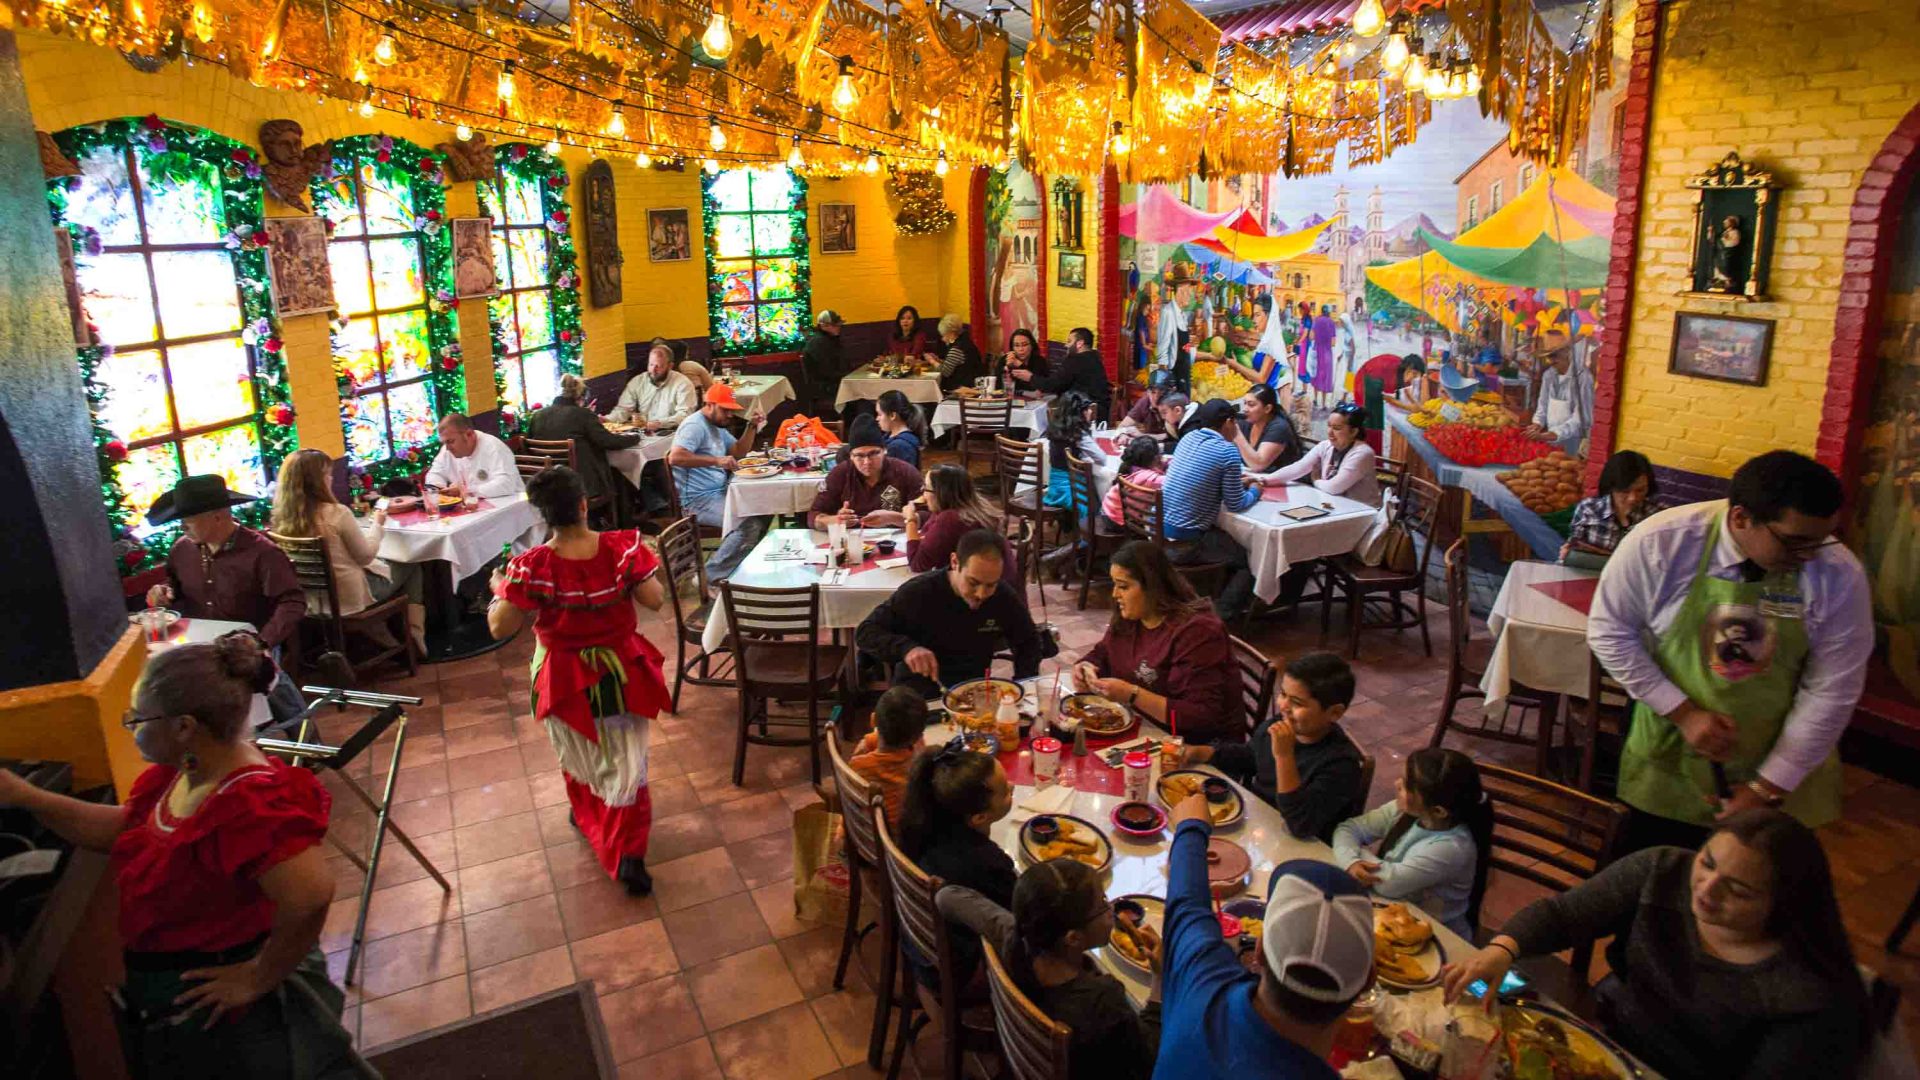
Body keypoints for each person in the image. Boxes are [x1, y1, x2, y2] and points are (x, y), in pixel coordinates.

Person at [0, 634, 354, 1077]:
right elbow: (129, 829)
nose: (130, 725)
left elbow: (311, 896)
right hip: (174, 996)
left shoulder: (249, 804)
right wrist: (28, 797)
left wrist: (258, 977)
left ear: (184, 727)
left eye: (137, 718)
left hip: (231, 1020)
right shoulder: (189, 770)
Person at [1441, 809, 1868, 1080]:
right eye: (1708, 862)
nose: (1705, 890)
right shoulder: (1663, 869)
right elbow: (1564, 914)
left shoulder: (1809, 998)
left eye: (1737, 890)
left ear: (1784, 905)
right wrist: (1501, 951)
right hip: (1611, 1041)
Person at [1587, 450, 1870, 852]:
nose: (1809, 556)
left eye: (1820, 541)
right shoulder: (1662, 543)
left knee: (1750, 899)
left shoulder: (1837, 571)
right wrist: (1682, 712)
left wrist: (1767, 786)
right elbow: (1608, 631)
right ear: (1740, 518)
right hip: (1671, 750)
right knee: (1646, 880)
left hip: (1777, 755)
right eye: (1795, 543)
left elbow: (1832, 690)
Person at [488, 466, 671, 895]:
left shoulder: (530, 567)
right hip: (619, 672)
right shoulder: (621, 549)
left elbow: (500, 628)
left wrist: (501, 587)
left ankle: (589, 813)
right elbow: (656, 599)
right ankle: (629, 853)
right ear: (584, 505)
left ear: (544, 517)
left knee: (580, 752)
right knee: (626, 758)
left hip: (563, 675)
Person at [1153, 793, 1374, 1080]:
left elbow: (1186, 900)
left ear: (1257, 953)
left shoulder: (1200, 987)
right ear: (1369, 980)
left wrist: (1192, 827)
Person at [937, 859, 1162, 1080]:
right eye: (1102, 905)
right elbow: (1153, 1058)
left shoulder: (1013, 940)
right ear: (1073, 938)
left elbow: (945, 896)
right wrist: (1161, 979)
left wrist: (1004, 921)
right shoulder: (1103, 1001)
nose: (1111, 910)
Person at [143, 474, 307, 724]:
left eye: (188, 519)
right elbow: (174, 591)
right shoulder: (181, 550)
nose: (183, 527)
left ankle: (306, 740)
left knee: (260, 673)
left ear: (217, 516)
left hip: (252, 641)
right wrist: (164, 594)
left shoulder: (262, 553)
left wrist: (262, 642)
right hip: (201, 643)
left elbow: (292, 602)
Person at [1184, 651, 1365, 841]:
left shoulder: (1341, 765)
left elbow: (1300, 824)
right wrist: (1203, 752)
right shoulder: (1278, 724)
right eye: (1283, 694)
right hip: (1259, 824)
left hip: (1301, 848)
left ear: (1334, 712)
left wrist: (1284, 756)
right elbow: (1251, 756)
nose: (1283, 706)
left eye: (1296, 703)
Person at [1074, 540, 1243, 742]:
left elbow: (1201, 715)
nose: (1115, 594)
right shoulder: (1131, 616)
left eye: (1123, 586)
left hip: (1193, 746)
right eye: (1115, 585)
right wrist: (1086, 667)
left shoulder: (1198, 632)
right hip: (1144, 727)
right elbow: (1103, 652)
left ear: (1152, 586)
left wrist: (1132, 695)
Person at [268, 449, 426, 655]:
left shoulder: (280, 518)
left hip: (312, 601)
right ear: (315, 481)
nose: (331, 478)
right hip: (349, 598)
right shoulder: (336, 513)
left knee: (379, 566)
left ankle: (382, 633)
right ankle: (415, 632)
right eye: (327, 474)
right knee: (411, 562)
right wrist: (378, 524)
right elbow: (365, 555)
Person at [857, 529, 1044, 698]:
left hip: (971, 692)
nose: (981, 594)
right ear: (955, 562)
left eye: (990, 585)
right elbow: (865, 632)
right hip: (917, 694)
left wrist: (1021, 687)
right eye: (973, 583)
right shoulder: (919, 592)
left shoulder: (1003, 596)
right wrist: (906, 648)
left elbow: (1029, 641)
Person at [1331, 747, 1491, 942]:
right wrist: (1351, 860)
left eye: (1406, 785)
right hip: (1395, 916)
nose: (1396, 784)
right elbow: (1348, 828)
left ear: (1439, 811)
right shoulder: (1406, 811)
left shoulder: (1451, 848)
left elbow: (1387, 884)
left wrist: (1356, 854)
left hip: (1437, 938)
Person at [898, 741, 1016, 987]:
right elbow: (1018, 927)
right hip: (957, 973)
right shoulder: (989, 865)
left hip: (919, 948)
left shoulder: (925, 825)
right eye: (1005, 791)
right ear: (979, 818)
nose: (1013, 787)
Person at [1161, 399, 1260, 623]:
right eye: (1235, 422)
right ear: (1227, 423)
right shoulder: (1227, 451)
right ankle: (1221, 616)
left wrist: (1236, 483)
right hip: (1186, 543)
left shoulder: (1188, 438)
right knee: (1252, 558)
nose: (1236, 428)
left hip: (1161, 532)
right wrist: (1255, 490)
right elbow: (1236, 503)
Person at [668, 382, 772, 583]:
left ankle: (741, 566)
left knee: (764, 507)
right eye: (725, 410)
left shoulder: (717, 426)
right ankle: (709, 577)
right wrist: (716, 460)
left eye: (731, 411)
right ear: (709, 404)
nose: (729, 415)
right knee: (748, 524)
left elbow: (738, 452)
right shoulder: (694, 426)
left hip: (719, 492)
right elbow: (676, 457)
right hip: (696, 501)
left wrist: (752, 427)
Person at [527, 374, 644, 512]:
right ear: (580, 398)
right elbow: (608, 441)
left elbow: (530, 444)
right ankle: (621, 520)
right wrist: (635, 437)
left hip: (548, 484)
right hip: (582, 484)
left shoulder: (537, 416)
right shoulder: (582, 414)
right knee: (618, 474)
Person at [1252, 401, 1380, 507]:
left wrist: (1316, 480)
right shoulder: (1326, 446)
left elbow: (1334, 487)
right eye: (1329, 426)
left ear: (1353, 432)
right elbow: (1297, 468)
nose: (1330, 432)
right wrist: (1262, 480)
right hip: (1333, 504)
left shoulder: (1363, 453)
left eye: (1337, 428)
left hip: (1361, 511)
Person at [809, 415, 925, 530]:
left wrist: (895, 518)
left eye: (873, 454)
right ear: (851, 456)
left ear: (884, 450)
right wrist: (836, 520)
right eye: (859, 456)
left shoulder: (905, 472)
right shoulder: (840, 473)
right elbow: (814, 517)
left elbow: (930, 516)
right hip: (852, 541)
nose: (867, 462)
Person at [906, 463, 1014, 575]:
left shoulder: (950, 519)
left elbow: (917, 563)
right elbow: (931, 526)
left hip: (984, 587)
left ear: (941, 493)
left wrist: (910, 520)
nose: (923, 493)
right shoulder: (974, 505)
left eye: (926, 488)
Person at [847, 686, 930, 826]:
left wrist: (869, 740)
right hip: (901, 844)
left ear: (873, 720)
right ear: (918, 737)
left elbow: (866, 747)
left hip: (867, 836)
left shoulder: (857, 765)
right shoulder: (918, 769)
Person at [1563, 449, 1661, 562]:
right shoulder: (1589, 509)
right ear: (1611, 487)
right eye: (1624, 491)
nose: (1632, 498)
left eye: (1640, 490)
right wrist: (1568, 552)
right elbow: (1574, 547)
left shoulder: (1658, 516)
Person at [1013, 327, 1111, 420]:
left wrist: (1030, 377)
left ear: (1079, 343)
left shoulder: (1075, 360)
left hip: (1083, 415)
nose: (1066, 345)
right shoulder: (1094, 357)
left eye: (1069, 341)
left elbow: (1053, 385)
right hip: (1101, 413)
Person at [425, 412, 525, 499]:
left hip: (512, 509)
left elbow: (506, 484)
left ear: (469, 434)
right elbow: (434, 473)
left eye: (451, 441)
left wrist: (467, 491)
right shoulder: (447, 451)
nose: (447, 448)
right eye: (444, 443)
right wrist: (439, 489)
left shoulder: (493, 447)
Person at [1525, 329, 1594, 453]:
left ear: (1567, 352)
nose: (1551, 360)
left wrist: (1551, 435)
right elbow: (1543, 405)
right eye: (1548, 356)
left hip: (1575, 440)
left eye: (1554, 355)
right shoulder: (1549, 375)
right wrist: (1537, 424)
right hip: (1551, 439)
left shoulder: (1583, 377)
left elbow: (1581, 418)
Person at [1043, 390, 1111, 512]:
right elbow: (1101, 458)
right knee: (1102, 486)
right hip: (1073, 490)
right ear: (1078, 413)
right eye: (1087, 409)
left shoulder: (1055, 428)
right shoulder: (1079, 434)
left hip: (1054, 487)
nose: (1090, 412)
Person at [608, 343, 699, 431]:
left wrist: (660, 423)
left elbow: (685, 415)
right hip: (644, 432)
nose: (653, 370)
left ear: (670, 366)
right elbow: (623, 409)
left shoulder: (683, 384)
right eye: (651, 365)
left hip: (672, 433)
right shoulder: (637, 382)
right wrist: (607, 419)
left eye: (658, 366)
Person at [1351, 353, 1428, 455]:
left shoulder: (1403, 373)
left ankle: (1373, 458)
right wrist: (1411, 408)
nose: (1411, 380)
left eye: (1416, 377)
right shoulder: (1392, 373)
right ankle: (1370, 458)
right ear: (1408, 368)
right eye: (1413, 374)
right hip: (1365, 381)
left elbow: (1395, 398)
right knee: (1371, 426)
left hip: (1375, 382)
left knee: (1374, 427)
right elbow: (1388, 398)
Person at [1232, 384, 1301, 472]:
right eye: (1245, 403)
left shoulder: (1279, 427)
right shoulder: (1246, 421)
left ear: (1267, 408)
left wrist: (1236, 433)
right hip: (1254, 479)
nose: (1245, 409)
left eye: (1251, 405)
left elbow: (1258, 464)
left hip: (1285, 481)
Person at [1101, 437, 1165, 529]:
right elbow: (1173, 482)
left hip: (1107, 511)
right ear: (1156, 458)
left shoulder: (1129, 467)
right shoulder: (1152, 479)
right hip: (1117, 521)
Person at [1154, 272, 1199, 395]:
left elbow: (1182, 346)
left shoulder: (1182, 314)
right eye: (1188, 290)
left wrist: (1191, 345)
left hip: (1184, 372)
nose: (1190, 294)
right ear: (1180, 289)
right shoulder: (1168, 312)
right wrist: (1166, 380)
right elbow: (1163, 349)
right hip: (1174, 375)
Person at [799, 308, 846, 414]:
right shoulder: (819, 343)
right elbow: (827, 371)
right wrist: (846, 376)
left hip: (825, 385)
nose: (839, 327)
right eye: (835, 325)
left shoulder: (827, 340)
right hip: (824, 389)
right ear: (824, 326)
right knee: (861, 397)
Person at [935, 313, 988, 392]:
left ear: (951, 334)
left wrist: (932, 361)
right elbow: (955, 364)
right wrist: (939, 361)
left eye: (944, 335)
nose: (943, 339)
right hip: (974, 383)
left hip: (964, 388)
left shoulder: (956, 349)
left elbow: (945, 372)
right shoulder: (965, 341)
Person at [875, 389, 927, 468]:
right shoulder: (891, 437)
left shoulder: (899, 446)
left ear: (893, 415)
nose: (877, 419)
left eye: (879, 414)